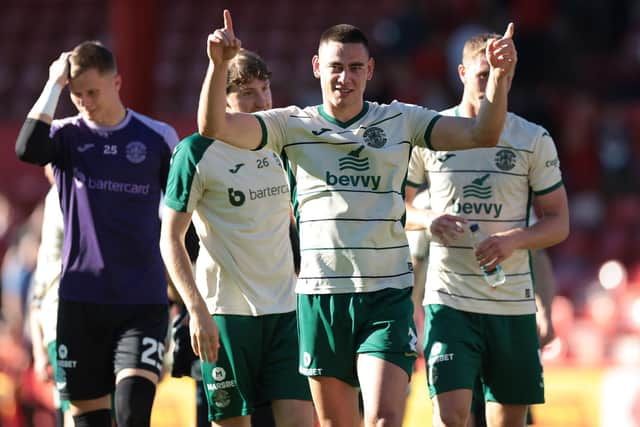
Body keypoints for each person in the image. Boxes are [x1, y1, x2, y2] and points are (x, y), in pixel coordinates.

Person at [195, 10, 517, 427]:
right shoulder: (290, 125)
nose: (344, 78)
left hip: (386, 294)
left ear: (370, 70)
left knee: (383, 419)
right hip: (321, 296)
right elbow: (212, 125)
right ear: (316, 67)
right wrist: (218, 65)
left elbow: (482, 135)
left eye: (354, 68)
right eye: (334, 67)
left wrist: (499, 78)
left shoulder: (402, 119)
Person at [404, 32, 569, 427]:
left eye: (505, 75)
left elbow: (559, 222)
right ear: (461, 73)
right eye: (484, 75)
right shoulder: (431, 133)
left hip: (510, 305)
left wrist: (515, 240)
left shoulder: (532, 139)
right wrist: (429, 220)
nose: (496, 83)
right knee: (450, 417)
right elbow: (395, 204)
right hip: (449, 302)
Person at [15, 41, 179, 427]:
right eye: (77, 94)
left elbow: (180, 220)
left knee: (132, 413)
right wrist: (55, 83)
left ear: (117, 82)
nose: (85, 101)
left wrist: (181, 296)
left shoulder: (157, 137)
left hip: (141, 302)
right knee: (89, 421)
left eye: (93, 92)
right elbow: (26, 148)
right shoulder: (66, 135)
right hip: (80, 303)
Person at [159, 48, 314, 427]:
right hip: (226, 316)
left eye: (266, 90)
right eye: (248, 93)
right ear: (222, 99)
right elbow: (170, 239)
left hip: (286, 314)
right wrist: (195, 309)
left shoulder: (280, 144)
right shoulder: (194, 152)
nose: (262, 102)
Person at [29, 165, 74, 427]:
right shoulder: (60, 197)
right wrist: (38, 344)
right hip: (64, 322)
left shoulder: (59, 196)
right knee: (73, 409)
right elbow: (43, 283)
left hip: (65, 322)